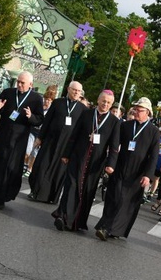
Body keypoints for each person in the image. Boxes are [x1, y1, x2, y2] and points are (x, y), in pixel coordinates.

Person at [52, 89, 121, 231]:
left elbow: (114, 147)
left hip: (95, 163)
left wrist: (111, 164)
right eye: (103, 101)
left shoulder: (114, 122)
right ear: (98, 100)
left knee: (86, 192)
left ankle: (77, 222)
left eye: (108, 103)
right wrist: (66, 154)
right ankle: (63, 217)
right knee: (71, 186)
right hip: (78, 156)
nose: (105, 104)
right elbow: (74, 135)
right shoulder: (86, 114)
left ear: (111, 104)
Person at [95, 97, 161, 241]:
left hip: (137, 173)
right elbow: (114, 146)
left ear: (148, 112)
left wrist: (148, 176)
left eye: (140, 110)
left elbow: (153, 156)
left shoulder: (154, 131)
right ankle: (105, 226)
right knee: (113, 197)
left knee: (125, 202)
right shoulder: (125, 125)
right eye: (135, 109)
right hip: (120, 167)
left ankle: (111, 229)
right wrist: (110, 164)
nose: (136, 112)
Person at [0, 71, 44, 209]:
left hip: (18, 141)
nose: (19, 84)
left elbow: (39, 120)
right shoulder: (8, 92)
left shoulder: (36, 99)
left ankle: (0, 199)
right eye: (18, 82)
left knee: (9, 168)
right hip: (2, 136)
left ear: (30, 85)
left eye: (22, 83)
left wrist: (30, 116)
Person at [27, 81, 87, 203]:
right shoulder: (58, 102)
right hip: (51, 140)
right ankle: (36, 192)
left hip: (67, 145)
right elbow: (47, 120)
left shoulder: (83, 109)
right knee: (41, 166)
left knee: (59, 171)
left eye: (79, 91)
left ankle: (52, 197)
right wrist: (40, 137)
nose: (76, 93)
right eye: (74, 90)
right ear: (68, 89)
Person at [24, 85, 57, 177]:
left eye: (49, 100)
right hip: (33, 130)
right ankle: (25, 165)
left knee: (35, 152)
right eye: (46, 99)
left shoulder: (51, 110)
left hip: (41, 134)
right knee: (28, 149)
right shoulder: (40, 107)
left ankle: (30, 168)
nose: (47, 101)